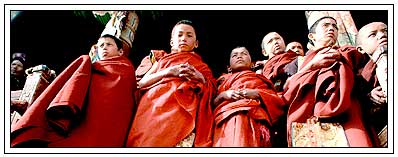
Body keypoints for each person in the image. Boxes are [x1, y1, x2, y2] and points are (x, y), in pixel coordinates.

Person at [11, 34, 137, 147]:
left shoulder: (126, 68)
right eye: (101, 45)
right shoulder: (88, 66)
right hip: (87, 115)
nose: (104, 48)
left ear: (120, 51)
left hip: (112, 119)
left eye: (109, 44)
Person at [283, 16, 374, 147]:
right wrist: (312, 65)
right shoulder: (298, 62)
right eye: (325, 25)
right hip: (314, 112)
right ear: (312, 36)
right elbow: (288, 89)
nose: (331, 28)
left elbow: (365, 76)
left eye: (335, 26)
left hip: (349, 108)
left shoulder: (349, 52)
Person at [126, 20, 216, 147]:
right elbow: (141, 84)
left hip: (182, 113)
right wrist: (169, 71)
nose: (184, 38)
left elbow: (213, 93)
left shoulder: (202, 67)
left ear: (196, 44)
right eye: (179, 35)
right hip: (153, 107)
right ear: (172, 42)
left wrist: (200, 77)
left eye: (189, 35)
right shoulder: (161, 60)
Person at [212, 46, 285, 147]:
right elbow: (208, 105)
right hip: (226, 119)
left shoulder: (260, 79)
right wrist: (223, 95)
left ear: (252, 65)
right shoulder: (220, 81)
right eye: (234, 55)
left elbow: (276, 101)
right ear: (229, 68)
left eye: (244, 54)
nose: (239, 57)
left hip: (253, 118)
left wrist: (257, 93)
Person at [355, 22, 388, 145]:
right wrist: (370, 98)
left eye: (385, 31)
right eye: (373, 35)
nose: (382, 35)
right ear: (361, 49)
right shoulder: (360, 77)